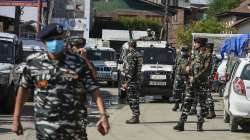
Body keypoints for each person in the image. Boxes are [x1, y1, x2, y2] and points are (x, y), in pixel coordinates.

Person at [12, 23, 110, 140]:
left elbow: (94, 89)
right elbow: (23, 89)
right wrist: (16, 118)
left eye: (59, 39)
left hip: (74, 131)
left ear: (63, 40)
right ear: (44, 42)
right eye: (51, 40)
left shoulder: (78, 62)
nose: (56, 42)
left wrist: (103, 115)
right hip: (45, 131)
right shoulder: (33, 63)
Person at [174, 37, 211, 132]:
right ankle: (181, 123)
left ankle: (199, 124)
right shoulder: (193, 54)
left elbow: (206, 69)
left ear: (200, 44)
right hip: (191, 83)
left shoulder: (207, 54)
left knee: (201, 104)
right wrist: (186, 68)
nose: (194, 45)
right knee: (187, 102)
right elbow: (188, 64)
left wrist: (195, 77)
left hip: (201, 83)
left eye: (195, 43)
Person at [122, 40, 143, 124]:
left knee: (132, 99)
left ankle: (135, 117)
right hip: (137, 80)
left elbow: (131, 70)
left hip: (132, 81)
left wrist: (127, 82)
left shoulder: (132, 55)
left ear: (130, 45)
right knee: (135, 99)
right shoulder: (139, 55)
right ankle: (136, 115)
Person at [172, 47, 189, 111]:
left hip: (185, 77)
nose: (183, 52)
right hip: (178, 76)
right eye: (182, 51)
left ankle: (183, 105)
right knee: (176, 91)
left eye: (184, 51)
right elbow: (175, 66)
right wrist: (173, 74)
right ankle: (176, 104)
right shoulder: (178, 57)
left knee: (185, 92)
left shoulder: (189, 58)